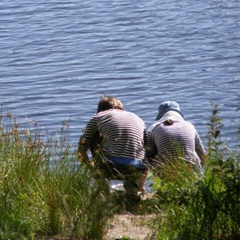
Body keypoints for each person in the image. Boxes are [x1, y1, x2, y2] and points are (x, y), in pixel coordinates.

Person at [77, 95, 148, 211]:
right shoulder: (138, 118)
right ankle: (132, 188)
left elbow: (81, 149)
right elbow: (148, 151)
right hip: (137, 168)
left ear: (100, 109)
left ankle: (105, 189)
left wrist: (92, 169)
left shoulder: (98, 117)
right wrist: (142, 180)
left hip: (111, 167)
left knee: (95, 137)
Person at [146, 101, 206, 171]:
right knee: (193, 152)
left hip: (165, 170)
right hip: (190, 169)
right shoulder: (189, 126)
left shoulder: (153, 128)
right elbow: (202, 154)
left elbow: (149, 155)